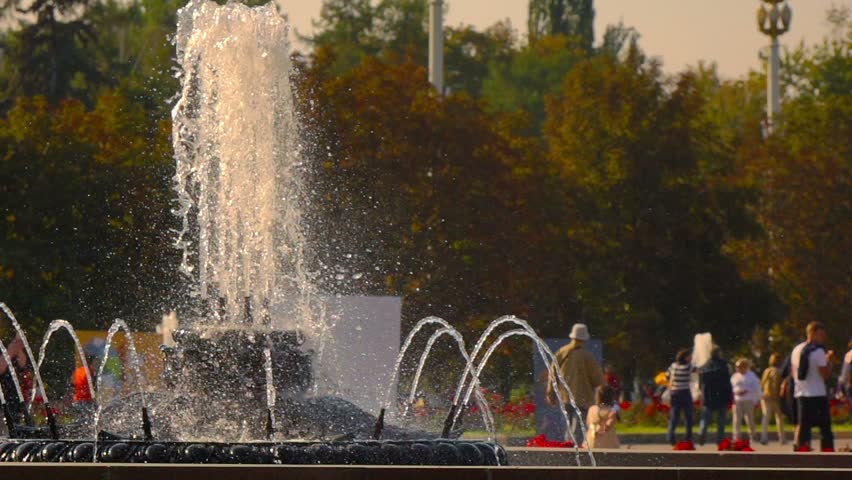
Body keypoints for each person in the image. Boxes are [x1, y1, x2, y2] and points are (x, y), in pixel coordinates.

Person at [546, 323, 604, 446]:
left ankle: (568, 446)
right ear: (584, 338)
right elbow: (598, 379)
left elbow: (552, 373)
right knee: (578, 426)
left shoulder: (562, 352)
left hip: (565, 397)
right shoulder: (586, 355)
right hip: (583, 398)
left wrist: (550, 392)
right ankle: (574, 451)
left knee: (568, 424)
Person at [790, 321, 835, 452]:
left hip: (801, 392)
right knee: (825, 428)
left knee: (803, 426)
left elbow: (793, 372)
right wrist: (829, 361)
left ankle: (801, 450)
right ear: (812, 333)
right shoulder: (818, 351)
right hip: (817, 393)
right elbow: (825, 374)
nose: (823, 338)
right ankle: (828, 453)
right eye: (821, 334)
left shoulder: (797, 349)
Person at [698, 345, 732, 445]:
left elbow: (701, 382)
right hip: (721, 396)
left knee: (705, 418)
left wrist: (702, 392)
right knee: (721, 421)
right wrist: (729, 397)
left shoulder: (706, 365)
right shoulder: (724, 365)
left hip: (708, 396)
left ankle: (701, 432)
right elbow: (727, 382)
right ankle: (720, 440)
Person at [666, 348, 695, 445]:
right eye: (690, 356)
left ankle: (670, 437)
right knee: (688, 417)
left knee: (674, 416)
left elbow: (667, 376)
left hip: (674, 393)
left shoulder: (673, 366)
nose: (691, 357)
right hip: (685, 393)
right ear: (686, 357)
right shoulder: (689, 367)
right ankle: (688, 438)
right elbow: (698, 371)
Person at [730, 358, 760, 442]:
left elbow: (756, 387)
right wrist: (736, 392)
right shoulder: (734, 376)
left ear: (744, 366)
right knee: (736, 420)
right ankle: (736, 437)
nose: (738, 368)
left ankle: (753, 436)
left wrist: (747, 391)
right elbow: (732, 387)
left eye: (739, 366)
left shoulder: (751, 375)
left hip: (748, 400)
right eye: (737, 367)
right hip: (737, 400)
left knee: (750, 419)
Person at [760, 353, 786, 445]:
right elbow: (776, 384)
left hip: (765, 396)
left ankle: (764, 437)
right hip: (775, 397)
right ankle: (782, 438)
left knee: (766, 417)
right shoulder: (779, 371)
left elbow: (762, 383)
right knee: (779, 418)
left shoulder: (767, 370)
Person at [584, 385, 620, 449]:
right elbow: (610, 423)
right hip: (607, 440)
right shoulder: (611, 411)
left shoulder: (591, 409)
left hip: (591, 437)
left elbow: (588, 423)